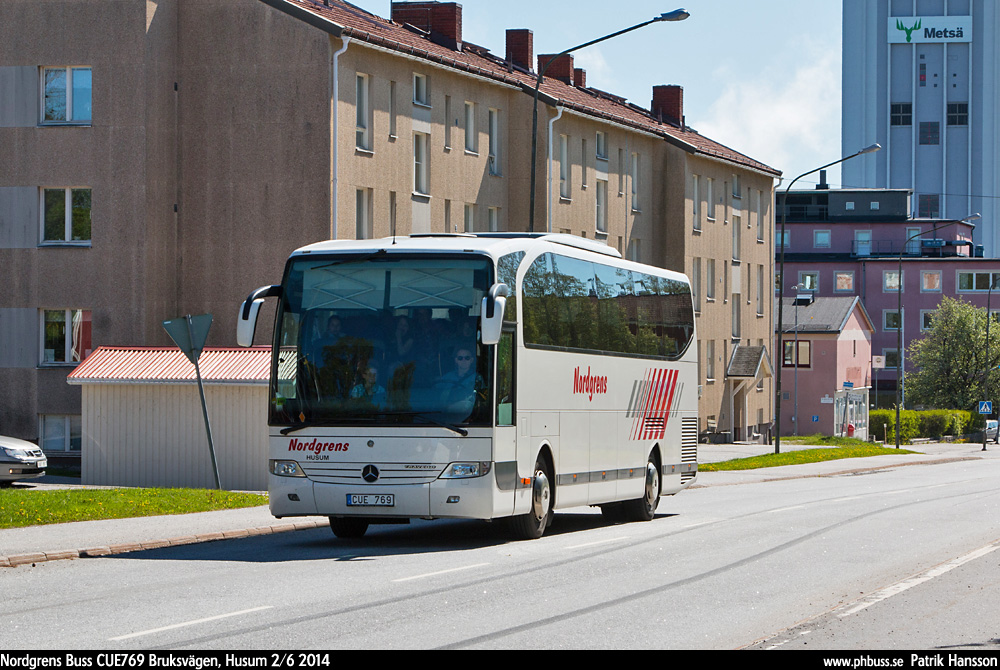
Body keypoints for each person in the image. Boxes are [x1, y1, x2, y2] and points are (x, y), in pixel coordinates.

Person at [435, 347, 484, 415]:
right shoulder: (448, 377)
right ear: (456, 360)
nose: (463, 360)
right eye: (460, 358)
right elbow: (436, 393)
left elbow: (481, 397)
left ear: (472, 360)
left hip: (468, 414)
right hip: (445, 414)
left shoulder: (477, 378)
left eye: (467, 358)